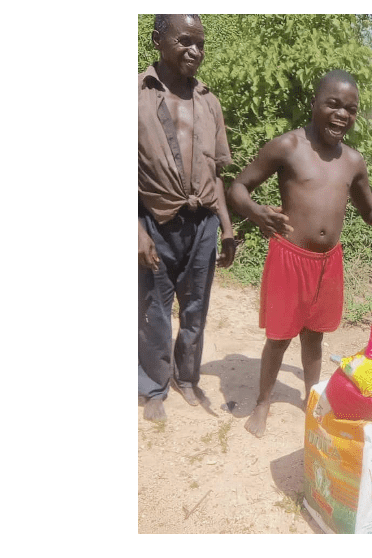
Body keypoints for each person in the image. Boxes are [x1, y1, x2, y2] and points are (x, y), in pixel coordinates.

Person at [226, 69, 372, 437]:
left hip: (327, 263)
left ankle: (312, 397)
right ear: (314, 103)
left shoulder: (352, 160)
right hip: (290, 257)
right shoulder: (288, 146)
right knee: (280, 336)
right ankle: (263, 401)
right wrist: (255, 212)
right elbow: (238, 187)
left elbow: (370, 213)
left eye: (350, 109)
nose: (341, 114)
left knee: (315, 335)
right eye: (332, 104)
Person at [138, 14, 236, 422]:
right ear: (158, 40)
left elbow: (215, 172)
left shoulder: (209, 101)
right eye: (185, 41)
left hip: (203, 225)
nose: (195, 52)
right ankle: (154, 385)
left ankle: (188, 378)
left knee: (195, 308)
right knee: (153, 309)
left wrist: (227, 227)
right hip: (154, 223)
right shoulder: (134, 97)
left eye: (201, 44)